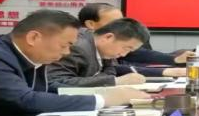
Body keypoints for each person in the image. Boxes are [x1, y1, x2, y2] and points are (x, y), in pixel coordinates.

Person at [0, 9, 149, 116]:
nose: (66, 53)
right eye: (64, 45)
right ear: (34, 37)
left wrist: (106, 93)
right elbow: (26, 100)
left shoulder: (33, 55)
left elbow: (51, 90)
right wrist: (102, 99)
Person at [48, 17, 187, 88]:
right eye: (126, 48)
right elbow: (56, 82)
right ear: (108, 37)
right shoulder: (78, 47)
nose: (125, 54)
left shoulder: (104, 49)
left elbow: (111, 69)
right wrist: (116, 81)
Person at [79, 3, 194, 69]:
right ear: (90, 24)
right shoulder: (79, 46)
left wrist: (174, 59)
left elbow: (137, 54)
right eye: (115, 22)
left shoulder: (108, 45)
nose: (121, 26)